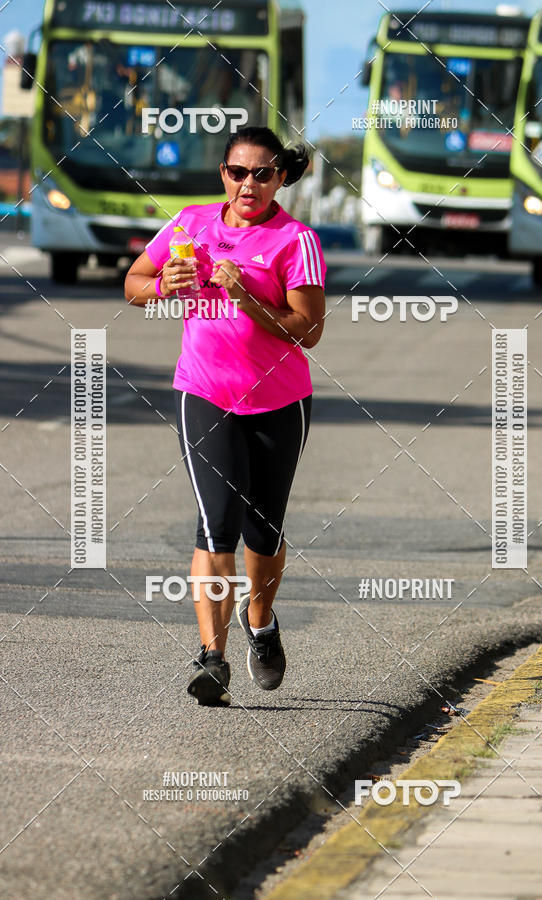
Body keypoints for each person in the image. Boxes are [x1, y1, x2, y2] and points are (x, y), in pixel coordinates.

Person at [124, 126, 326, 707]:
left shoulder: (296, 240)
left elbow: (308, 330)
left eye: (262, 173)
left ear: (280, 178)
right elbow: (133, 284)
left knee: (264, 530)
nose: (249, 184)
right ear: (223, 174)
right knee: (218, 524)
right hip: (204, 393)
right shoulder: (190, 224)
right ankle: (212, 658)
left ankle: (259, 621)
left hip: (279, 403)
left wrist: (248, 299)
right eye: (238, 172)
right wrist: (165, 285)